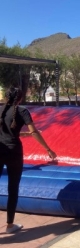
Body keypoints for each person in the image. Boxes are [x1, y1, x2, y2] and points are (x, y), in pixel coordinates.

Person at [0, 87, 57, 234]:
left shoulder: (0, 110)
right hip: (14, 152)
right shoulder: (23, 111)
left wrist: (20, 133)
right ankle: (10, 225)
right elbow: (34, 132)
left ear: (6, 97)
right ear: (20, 98)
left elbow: (6, 131)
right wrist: (48, 149)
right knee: (13, 189)